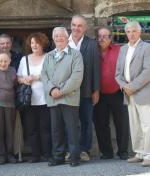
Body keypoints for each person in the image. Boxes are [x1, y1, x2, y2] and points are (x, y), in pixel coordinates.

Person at [41, 27, 84, 167]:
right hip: (53, 98)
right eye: (56, 36)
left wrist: (62, 90)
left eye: (62, 35)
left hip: (69, 97)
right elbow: (44, 75)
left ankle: (74, 157)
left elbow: (77, 76)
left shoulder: (76, 55)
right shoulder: (48, 56)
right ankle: (58, 157)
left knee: (72, 129)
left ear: (67, 38)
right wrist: (52, 89)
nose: (59, 38)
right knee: (56, 130)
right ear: (53, 38)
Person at [115, 21, 150, 167]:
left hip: (143, 91)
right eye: (128, 31)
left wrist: (133, 87)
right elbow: (118, 73)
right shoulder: (123, 49)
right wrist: (124, 86)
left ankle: (149, 154)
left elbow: (148, 71)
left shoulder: (147, 47)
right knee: (135, 124)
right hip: (128, 92)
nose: (131, 34)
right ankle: (140, 152)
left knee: (147, 125)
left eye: (134, 31)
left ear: (139, 32)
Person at [93, 27, 129, 160]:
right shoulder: (93, 51)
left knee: (122, 123)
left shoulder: (119, 50)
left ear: (110, 38)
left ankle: (123, 151)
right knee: (101, 124)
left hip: (117, 92)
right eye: (99, 36)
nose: (101, 39)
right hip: (99, 93)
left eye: (105, 36)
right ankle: (107, 152)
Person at [68, 15, 100, 161]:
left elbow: (95, 67)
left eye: (80, 26)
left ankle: (84, 150)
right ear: (71, 26)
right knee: (69, 122)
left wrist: (96, 90)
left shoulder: (92, 43)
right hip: (67, 92)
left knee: (86, 121)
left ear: (85, 28)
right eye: (74, 25)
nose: (76, 28)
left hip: (86, 90)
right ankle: (71, 150)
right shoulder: (63, 42)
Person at [17, 33, 51, 163]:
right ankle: (35, 155)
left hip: (45, 99)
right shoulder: (24, 59)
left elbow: (52, 74)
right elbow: (18, 77)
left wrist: (36, 77)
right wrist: (24, 80)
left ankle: (47, 154)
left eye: (37, 42)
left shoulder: (49, 57)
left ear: (43, 43)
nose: (34, 45)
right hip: (29, 100)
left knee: (45, 128)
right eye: (32, 43)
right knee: (31, 129)